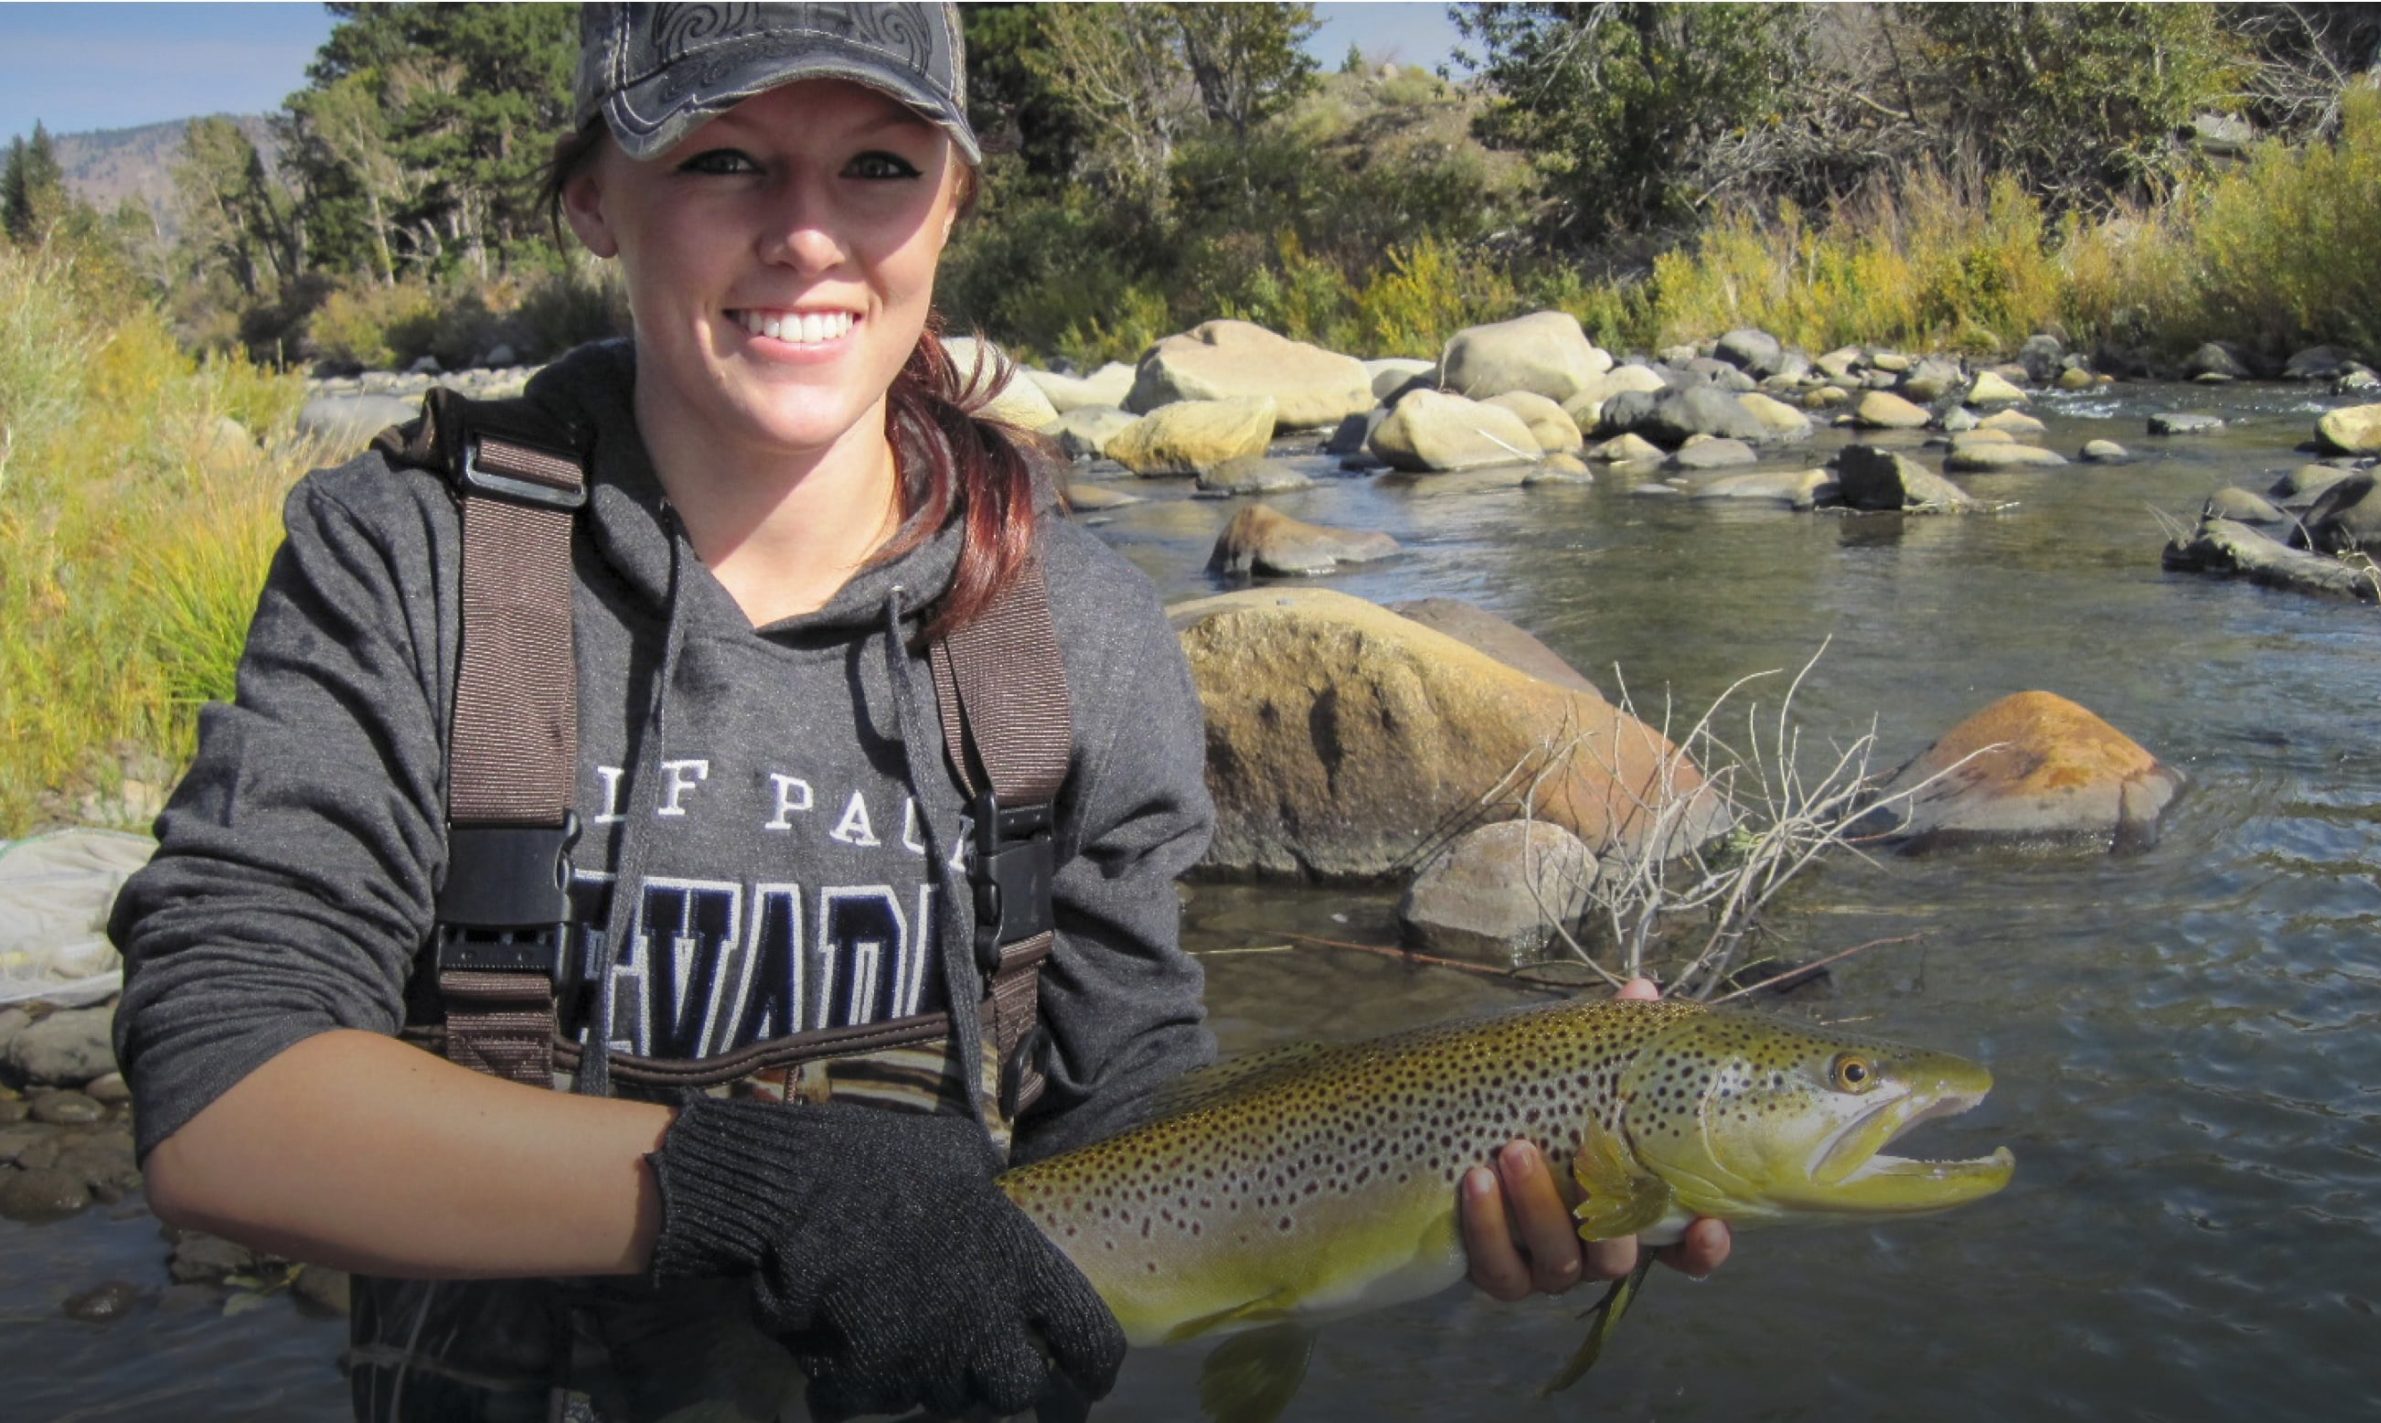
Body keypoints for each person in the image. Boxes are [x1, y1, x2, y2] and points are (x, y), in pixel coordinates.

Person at [109, 6, 1729, 1420]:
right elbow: (222, 1095)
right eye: (726, 160)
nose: (809, 234)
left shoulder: (1071, 622)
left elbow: (1133, 1094)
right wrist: (732, 1189)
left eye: (879, 166)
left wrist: (1481, 1131)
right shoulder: (413, 559)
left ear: (955, 202)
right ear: (596, 197)